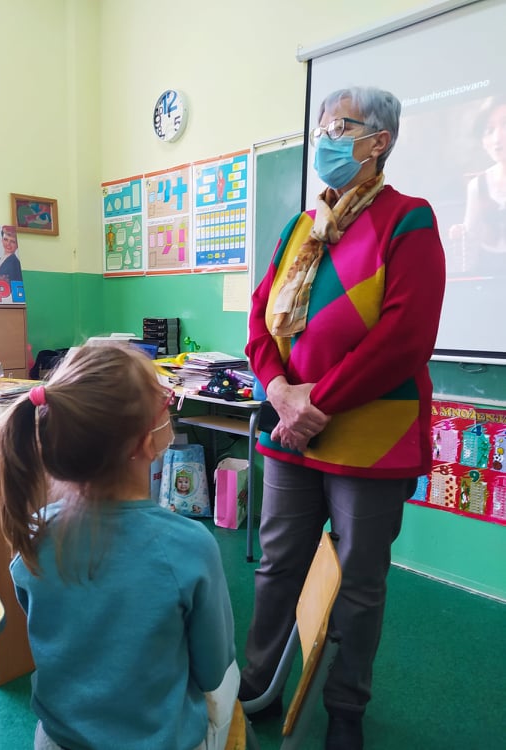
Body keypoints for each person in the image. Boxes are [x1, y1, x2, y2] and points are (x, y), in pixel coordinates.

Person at [239, 86, 446, 750]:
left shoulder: (408, 220)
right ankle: (259, 684)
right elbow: (259, 319)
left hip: (369, 436)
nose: (324, 140)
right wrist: (279, 391)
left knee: (358, 581)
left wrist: (316, 404)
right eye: (322, 128)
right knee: (277, 565)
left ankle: (345, 705)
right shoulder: (299, 227)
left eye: (339, 127)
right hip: (288, 429)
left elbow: (404, 337)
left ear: (378, 141)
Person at [0, 343, 239, 750]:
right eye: (164, 402)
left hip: (59, 740)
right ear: (145, 442)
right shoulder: (191, 547)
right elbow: (213, 670)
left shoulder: (34, 533)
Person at [449, 95, 506, 275]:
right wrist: (460, 233)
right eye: (489, 130)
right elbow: (471, 233)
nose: (497, 138)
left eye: (504, 124)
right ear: (483, 142)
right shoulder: (478, 185)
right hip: (490, 268)